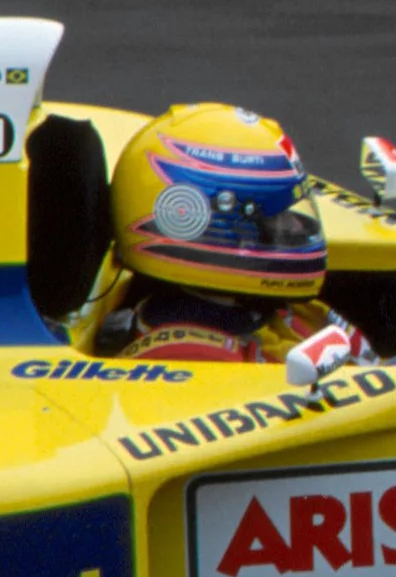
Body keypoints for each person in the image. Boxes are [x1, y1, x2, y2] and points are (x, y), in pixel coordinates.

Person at [89, 104, 369, 382]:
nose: (296, 226)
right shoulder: (188, 357)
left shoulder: (267, 311)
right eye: (275, 217)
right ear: (194, 218)